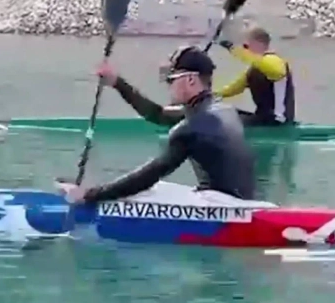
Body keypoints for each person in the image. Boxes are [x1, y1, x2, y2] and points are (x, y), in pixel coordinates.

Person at [57, 45, 257, 204]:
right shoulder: (224, 109)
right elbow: (159, 114)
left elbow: (148, 176)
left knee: (142, 190)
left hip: (221, 206)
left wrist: (90, 196)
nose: (168, 86)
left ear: (191, 80)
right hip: (238, 201)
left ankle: (83, 195)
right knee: (154, 189)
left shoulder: (190, 127)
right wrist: (117, 83)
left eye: (171, 80)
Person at [213, 25, 295, 126]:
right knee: (225, 113)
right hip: (262, 117)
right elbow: (236, 87)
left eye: (246, 46)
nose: (245, 50)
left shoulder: (274, 61)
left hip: (277, 120)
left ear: (258, 43)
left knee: (229, 123)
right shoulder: (255, 68)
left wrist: (235, 50)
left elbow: (276, 71)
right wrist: (214, 95)